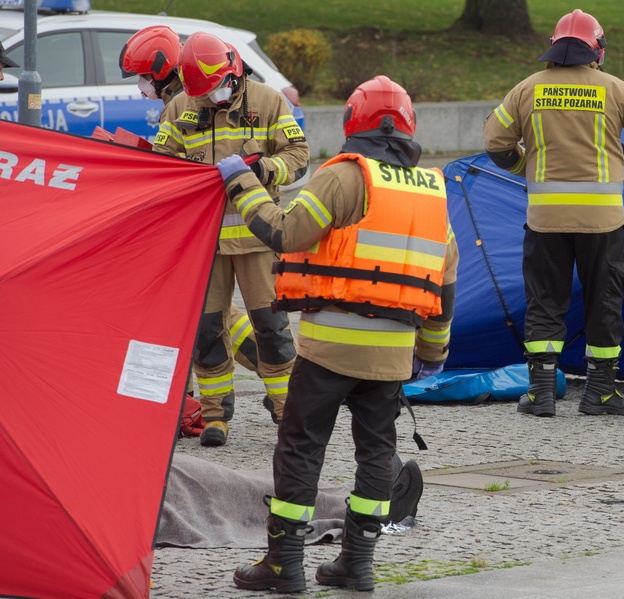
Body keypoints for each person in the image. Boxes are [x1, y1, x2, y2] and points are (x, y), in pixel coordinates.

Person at [216, 75, 458, 594]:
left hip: (329, 347)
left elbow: (285, 232)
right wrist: (432, 353)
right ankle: (357, 562)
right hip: (392, 356)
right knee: (375, 451)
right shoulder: (432, 192)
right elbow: (445, 284)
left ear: (354, 122)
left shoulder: (345, 177)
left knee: (301, 446)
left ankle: (284, 563)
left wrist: (241, 182)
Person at [483, 8, 624, 418]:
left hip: (545, 222)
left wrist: (525, 166)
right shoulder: (613, 89)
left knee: (544, 303)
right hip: (602, 224)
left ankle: (540, 394)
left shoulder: (527, 90)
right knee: (602, 303)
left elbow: (495, 143)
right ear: (597, 52)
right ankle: (601, 393)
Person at [154, 32, 309, 445]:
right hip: (205, 243)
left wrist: (261, 171)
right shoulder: (182, 106)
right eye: (202, 93)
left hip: (257, 238)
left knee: (272, 328)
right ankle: (215, 416)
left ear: (233, 72)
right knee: (207, 331)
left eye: (217, 88)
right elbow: (162, 163)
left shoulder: (269, 101)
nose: (212, 98)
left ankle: (286, 412)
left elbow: (298, 157)